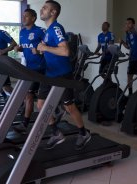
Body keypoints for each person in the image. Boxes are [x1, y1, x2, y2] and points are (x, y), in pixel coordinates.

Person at [37, 0, 91, 150]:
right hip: (49, 73)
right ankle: (56, 133)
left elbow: (65, 51)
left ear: (53, 12)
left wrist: (45, 47)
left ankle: (83, 133)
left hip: (61, 75)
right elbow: (50, 49)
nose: (42, 10)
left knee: (70, 107)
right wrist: (41, 49)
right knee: (40, 104)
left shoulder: (56, 28)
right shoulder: (48, 31)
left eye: (45, 8)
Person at [13, 9, 46, 133]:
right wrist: (19, 48)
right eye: (23, 16)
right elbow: (26, 48)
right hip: (30, 68)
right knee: (29, 95)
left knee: (36, 97)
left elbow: (50, 48)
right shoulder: (22, 32)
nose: (24, 18)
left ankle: (57, 110)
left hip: (42, 68)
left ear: (33, 18)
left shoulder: (41, 31)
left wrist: (39, 51)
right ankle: (25, 124)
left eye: (26, 16)